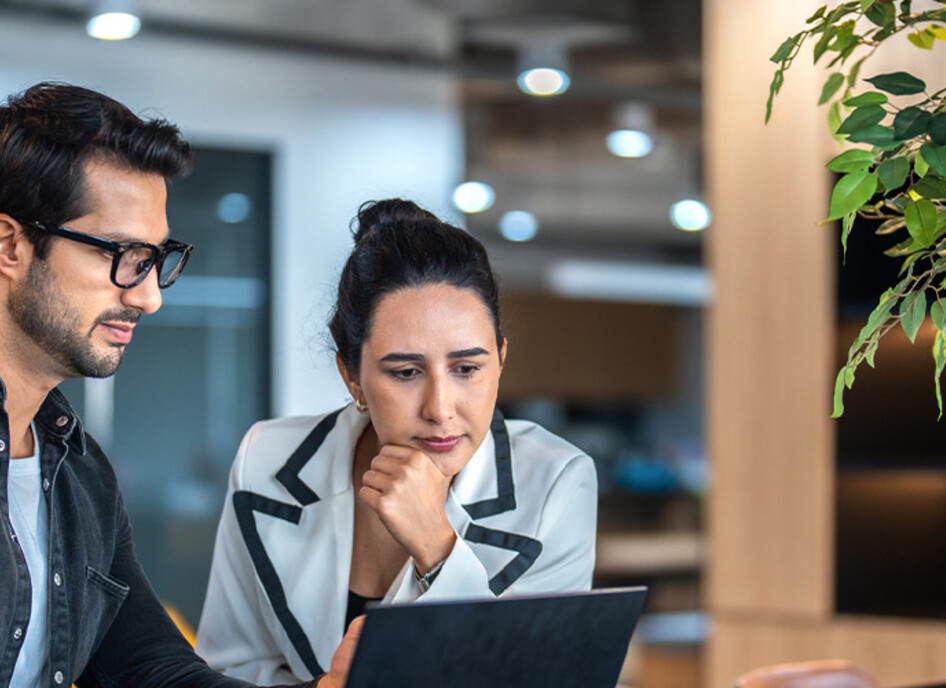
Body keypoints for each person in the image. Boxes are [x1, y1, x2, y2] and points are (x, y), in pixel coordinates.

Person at [0, 82, 357, 688]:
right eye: (121, 254)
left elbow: (149, 667)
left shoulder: (80, 472)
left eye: (155, 259)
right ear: (10, 244)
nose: (149, 295)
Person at [196, 198, 598, 683]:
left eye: (468, 369)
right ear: (352, 376)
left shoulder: (558, 481)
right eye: (406, 372)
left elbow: (536, 679)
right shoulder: (266, 459)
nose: (440, 408)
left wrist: (437, 547)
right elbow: (229, 669)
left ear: (501, 359)